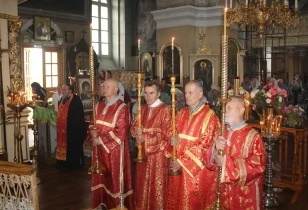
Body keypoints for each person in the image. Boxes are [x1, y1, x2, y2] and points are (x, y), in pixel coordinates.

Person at [166, 80, 221, 210]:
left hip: (196, 171)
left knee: (192, 202)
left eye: (190, 92)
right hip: (177, 165)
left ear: (200, 93)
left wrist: (182, 161)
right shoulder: (181, 113)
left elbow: (205, 145)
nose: (186, 96)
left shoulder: (210, 117)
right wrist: (172, 140)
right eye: (185, 92)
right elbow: (171, 131)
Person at [206, 97, 266, 210]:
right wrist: (214, 149)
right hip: (220, 188)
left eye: (229, 108)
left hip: (243, 193)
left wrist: (226, 163)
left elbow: (258, 167)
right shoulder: (220, 132)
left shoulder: (253, 136)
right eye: (224, 108)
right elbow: (208, 160)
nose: (225, 111)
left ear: (241, 110)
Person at [86, 78, 133, 209]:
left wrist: (101, 140)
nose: (104, 88)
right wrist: (92, 132)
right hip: (99, 151)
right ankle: (102, 202)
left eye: (107, 86)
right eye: (103, 86)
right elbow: (92, 123)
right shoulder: (99, 105)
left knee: (113, 179)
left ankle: (116, 205)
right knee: (101, 177)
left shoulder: (122, 108)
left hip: (114, 152)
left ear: (115, 89)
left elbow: (121, 131)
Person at [130, 80, 172, 210]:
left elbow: (167, 136)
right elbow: (133, 128)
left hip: (158, 157)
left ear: (158, 93)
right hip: (142, 155)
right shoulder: (142, 109)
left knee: (156, 187)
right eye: (146, 93)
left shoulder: (165, 110)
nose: (147, 97)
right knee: (142, 184)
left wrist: (146, 138)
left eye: (151, 93)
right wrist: (136, 134)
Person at [56, 84, 86, 170]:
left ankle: (72, 165)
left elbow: (78, 117)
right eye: (62, 90)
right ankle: (62, 163)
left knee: (72, 147)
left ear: (70, 90)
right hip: (63, 130)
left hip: (73, 130)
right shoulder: (63, 99)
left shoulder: (76, 100)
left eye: (65, 90)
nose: (63, 91)